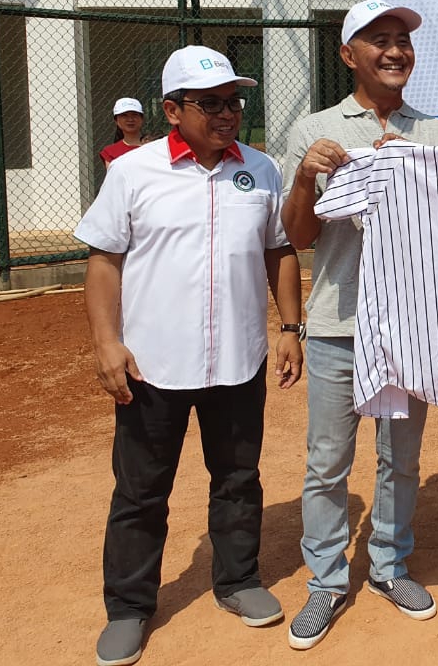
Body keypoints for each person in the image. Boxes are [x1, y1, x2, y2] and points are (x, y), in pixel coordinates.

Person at [75, 45, 304, 666]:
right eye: (211, 103)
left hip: (239, 359)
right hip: (154, 365)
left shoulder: (260, 167)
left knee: (237, 479)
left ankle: (237, 581)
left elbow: (279, 250)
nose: (227, 113)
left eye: (234, 102)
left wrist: (290, 327)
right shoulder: (133, 172)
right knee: (141, 491)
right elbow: (103, 261)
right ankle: (128, 606)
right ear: (172, 110)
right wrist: (106, 345)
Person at [280, 0, 438, 650]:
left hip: (410, 329)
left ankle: (388, 565)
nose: (394, 51)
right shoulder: (315, 130)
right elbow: (297, 236)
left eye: (402, 41)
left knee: (400, 462)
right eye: (378, 40)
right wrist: (306, 177)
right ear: (348, 53)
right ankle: (326, 581)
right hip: (337, 326)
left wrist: (412, 173)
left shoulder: (436, 135)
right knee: (327, 464)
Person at [99, 97, 145, 168]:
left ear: (142, 119)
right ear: (116, 121)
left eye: (134, 115)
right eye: (124, 115)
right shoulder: (110, 152)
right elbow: (113, 178)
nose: (130, 119)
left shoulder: (155, 146)